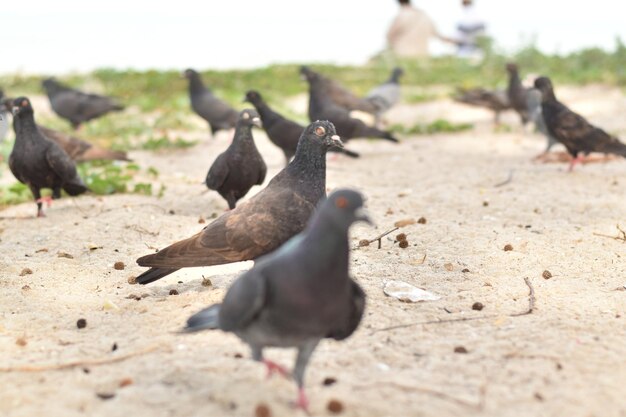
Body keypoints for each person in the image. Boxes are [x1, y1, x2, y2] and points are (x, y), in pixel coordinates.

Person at [386, 0, 457, 58]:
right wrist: (456, 41)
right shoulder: (424, 15)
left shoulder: (401, 16)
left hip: (403, 56)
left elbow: (389, 36)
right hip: (422, 56)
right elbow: (439, 36)